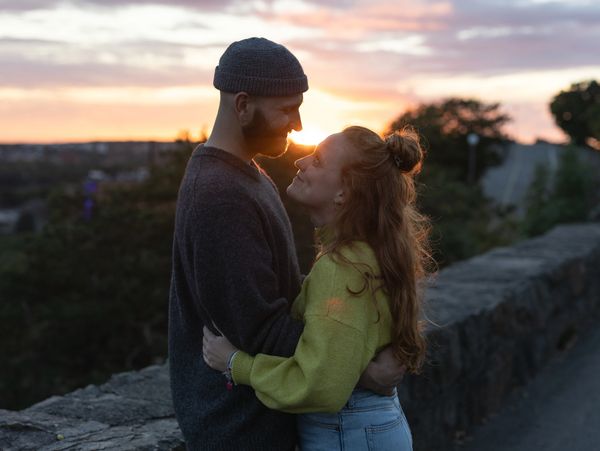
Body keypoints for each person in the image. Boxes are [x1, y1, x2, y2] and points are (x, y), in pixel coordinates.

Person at [169, 37, 406, 451]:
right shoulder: (219, 194)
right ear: (242, 106)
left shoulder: (251, 177)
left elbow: (280, 289)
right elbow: (259, 326)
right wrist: (358, 366)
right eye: (286, 109)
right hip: (238, 428)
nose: (297, 124)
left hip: (265, 414)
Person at [202, 125, 432, 450]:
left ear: (344, 193)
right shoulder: (367, 252)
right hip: (367, 427)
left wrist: (235, 363)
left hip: (348, 432)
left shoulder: (343, 268)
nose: (301, 162)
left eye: (319, 161)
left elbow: (319, 385)